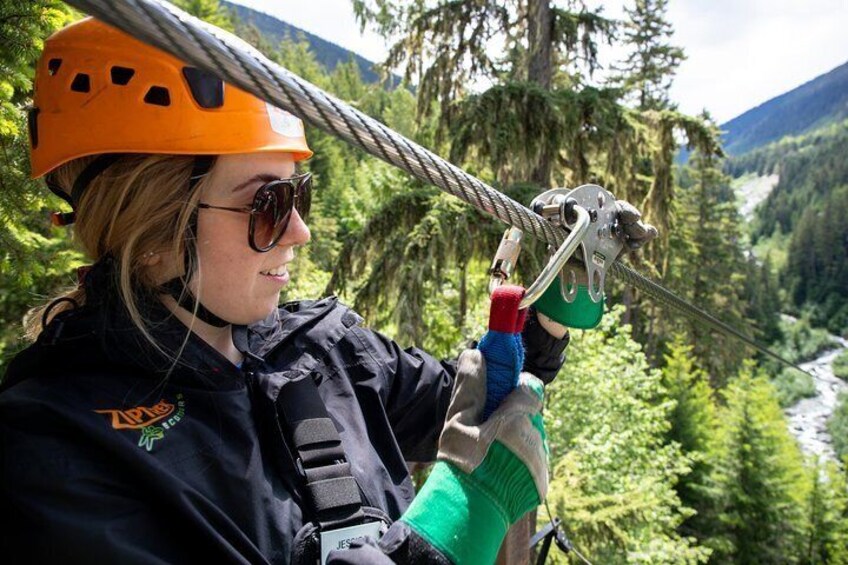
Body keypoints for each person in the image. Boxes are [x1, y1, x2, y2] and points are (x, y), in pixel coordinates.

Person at [1, 17, 656, 565]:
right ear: (151, 231)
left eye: (300, 194)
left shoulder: (323, 345)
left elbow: (474, 401)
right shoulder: (54, 452)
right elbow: (477, 462)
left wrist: (549, 313)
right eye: (268, 202)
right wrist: (462, 511)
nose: (301, 230)